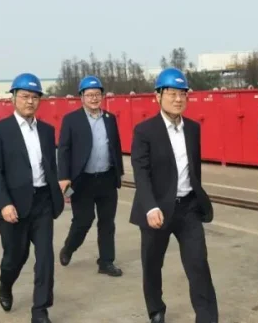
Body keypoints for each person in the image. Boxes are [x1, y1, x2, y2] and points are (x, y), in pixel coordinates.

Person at [129, 67, 218, 323]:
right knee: (152, 264)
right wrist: (150, 206)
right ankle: (156, 309)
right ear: (157, 96)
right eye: (171, 93)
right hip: (157, 209)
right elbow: (141, 172)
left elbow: (193, 169)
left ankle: (207, 318)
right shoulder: (145, 131)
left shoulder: (193, 129)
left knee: (198, 264)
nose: (178, 99)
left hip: (188, 208)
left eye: (182, 94)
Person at [0, 73, 64, 323]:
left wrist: (60, 190)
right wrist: (5, 203)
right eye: (25, 96)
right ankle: (5, 284)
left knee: (45, 259)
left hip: (42, 202)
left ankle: (40, 310)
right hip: (13, 205)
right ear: (13, 98)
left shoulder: (47, 131)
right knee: (15, 257)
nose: (30, 101)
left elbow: (50, 166)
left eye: (35, 97)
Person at [58, 75, 124, 277]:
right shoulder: (71, 120)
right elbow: (64, 150)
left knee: (107, 222)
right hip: (81, 181)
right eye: (89, 95)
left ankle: (106, 262)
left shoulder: (110, 119)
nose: (94, 98)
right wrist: (64, 179)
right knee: (83, 220)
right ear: (82, 97)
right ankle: (68, 248)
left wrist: (118, 173)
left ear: (102, 96)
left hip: (106, 179)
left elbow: (115, 146)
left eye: (97, 94)